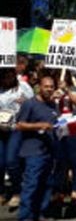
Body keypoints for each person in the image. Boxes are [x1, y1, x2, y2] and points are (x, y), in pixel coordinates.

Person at [16, 74, 58, 221]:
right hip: (33, 151)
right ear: (39, 87)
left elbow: (54, 124)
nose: (49, 89)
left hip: (49, 150)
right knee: (31, 184)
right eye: (46, 86)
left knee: (46, 184)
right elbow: (19, 125)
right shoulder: (30, 104)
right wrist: (38, 125)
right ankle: (25, 218)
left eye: (51, 87)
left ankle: (40, 214)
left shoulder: (53, 105)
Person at [0, 67, 33, 209]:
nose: (8, 78)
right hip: (1, 129)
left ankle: (17, 191)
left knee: (12, 161)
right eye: (4, 76)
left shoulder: (23, 87)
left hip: (16, 129)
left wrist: (23, 103)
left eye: (10, 75)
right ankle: (1, 192)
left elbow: (33, 105)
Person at [53, 73, 76, 203]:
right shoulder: (53, 91)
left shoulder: (74, 89)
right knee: (61, 161)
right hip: (59, 128)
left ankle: (75, 190)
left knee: (74, 159)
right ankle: (60, 190)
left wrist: (66, 91)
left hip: (72, 127)